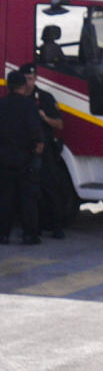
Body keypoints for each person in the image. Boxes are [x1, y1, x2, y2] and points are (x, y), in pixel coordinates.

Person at [0, 71, 45, 246]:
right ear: (23, 85)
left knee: (5, 198)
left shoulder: (1, 104)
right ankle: (29, 235)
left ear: (7, 85)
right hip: (24, 158)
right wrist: (38, 147)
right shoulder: (29, 106)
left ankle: (3, 235)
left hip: (3, 158)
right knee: (28, 199)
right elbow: (35, 132)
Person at [21, 64, 66, 240]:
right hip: (25, 151)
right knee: (30, 192)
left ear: (36, 79)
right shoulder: (18, 99)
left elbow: (59, 124)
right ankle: (35, 228)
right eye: (25, 79)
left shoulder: (45, 98)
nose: (28, 82)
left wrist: (44, 118)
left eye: (31, 79)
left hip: (45, 151)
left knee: (51, 189)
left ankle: (57, 227)